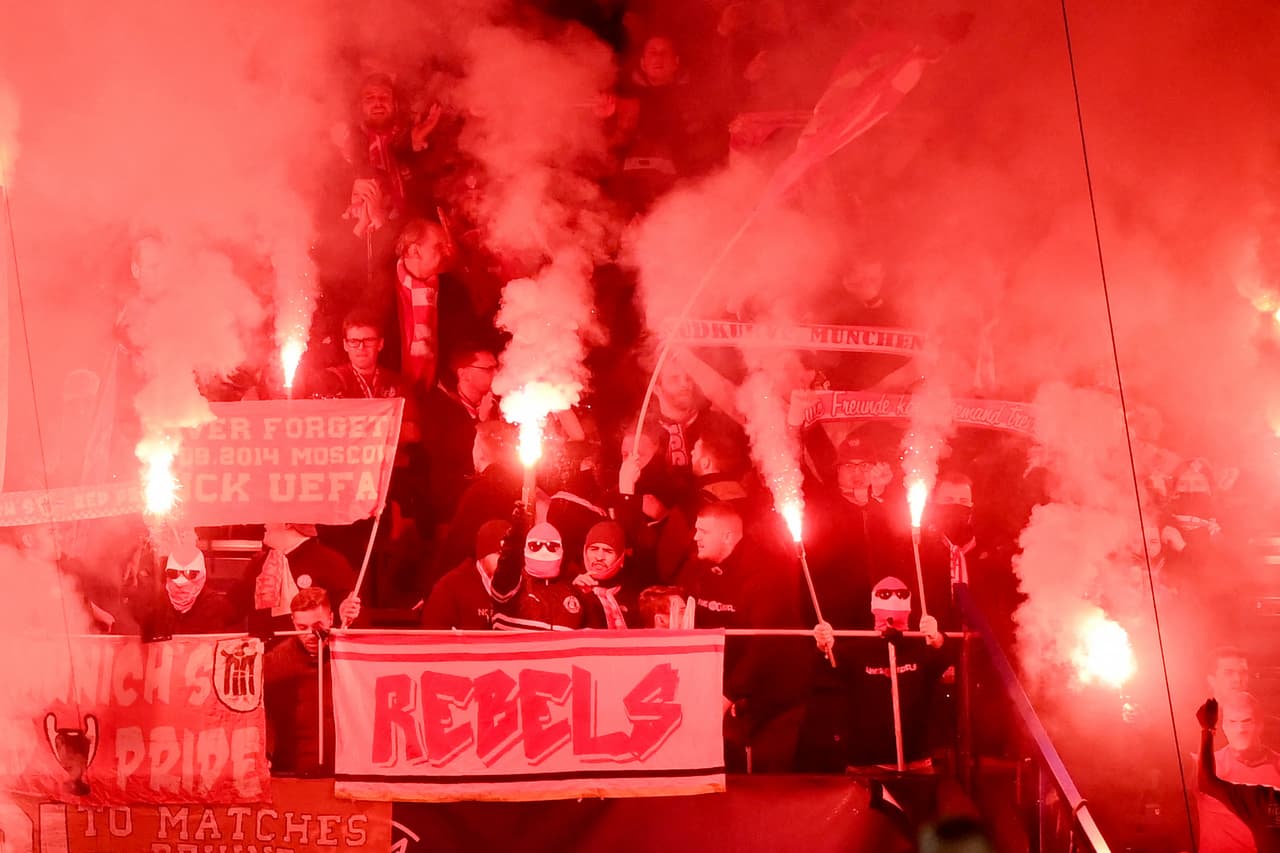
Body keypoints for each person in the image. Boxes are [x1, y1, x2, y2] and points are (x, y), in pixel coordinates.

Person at [263, 587, 360, 776]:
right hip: (292, 771)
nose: (310, 634)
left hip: (344, 769)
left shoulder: (347, 655)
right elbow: (256, 711)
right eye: (302, 627)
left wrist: (348, 626)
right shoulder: (277, 661)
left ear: (331, 619)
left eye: (317, 626)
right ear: (292, 622)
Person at [392, 218, 483, 388]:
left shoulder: (455, 291)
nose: (447, 252)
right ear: (414, 251)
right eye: (438, 247)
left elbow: (466, 343)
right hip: (392, 396)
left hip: (438, 395)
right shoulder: (383, 287)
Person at [433, 419, 521, 586]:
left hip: (476, 582)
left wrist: (434, 588)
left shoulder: (481, 491)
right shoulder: (517, 488)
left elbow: (457, 545)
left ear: (480, 451)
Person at [420, 345, 499, 531]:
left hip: (486, 505)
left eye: (496, 367)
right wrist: (481, 422)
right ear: (464, 375)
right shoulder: (438, 405)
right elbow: (445, 452)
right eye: (488, 369)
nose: (495, 373)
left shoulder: (495, 405)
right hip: (451, 508)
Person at [1197, 692, 1280, 853]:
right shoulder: (1203, 765)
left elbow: (1207, 782)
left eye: (1247, 721)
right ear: (1223, 727)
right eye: (1232, 722)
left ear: (1260, 724)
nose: (1240, 729)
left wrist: (1206, 729)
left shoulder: (1263, 797)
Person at [249, 523, 357, 635]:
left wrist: (345, 611)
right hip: (265, 648)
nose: (265, 524)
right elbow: (237, 603)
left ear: (287, 523)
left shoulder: (328, 560)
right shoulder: (260, 563)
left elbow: (348, 608)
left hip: (316, 647)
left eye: (270, 515)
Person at [490, 519, 584, 631]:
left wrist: (589, 596)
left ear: (562, 550)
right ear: (525, 548)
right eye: (535, 545)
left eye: (552, 546)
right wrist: (515, 539)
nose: (544, 551)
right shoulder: (513, 585)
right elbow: (506, 570)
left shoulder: (572, 590)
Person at [421, 520, 512, 630]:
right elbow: (433, 636)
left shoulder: (522, 586)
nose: (507, 561)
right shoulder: (449, 588)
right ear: (483, 555)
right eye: (500, 553)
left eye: (512, 555)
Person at [139, 543, 244, 639]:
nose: (181, 581)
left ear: (201, 574)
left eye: (190, 574)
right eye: (173, 573)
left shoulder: (215, 606)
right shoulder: (156, 601)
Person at [572, 520, 640, 628]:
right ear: (584, 552)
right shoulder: (570, 590)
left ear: (621, 558)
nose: (599, 557)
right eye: (594, 549)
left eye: (608, 551)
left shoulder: (635, 598)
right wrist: (575, 594)